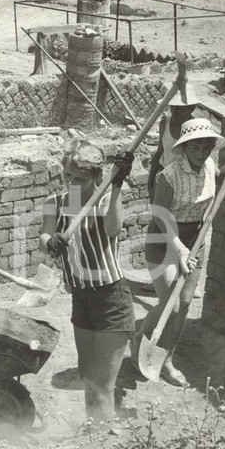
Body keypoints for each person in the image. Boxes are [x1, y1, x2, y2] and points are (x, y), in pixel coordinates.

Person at [132, 118, 225, 386]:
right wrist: (180, 250)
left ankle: (166, 361)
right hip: (164, 241)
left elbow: (218, 181)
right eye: (195, 148)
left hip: (197, 239)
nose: (200, 154)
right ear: (184, 147)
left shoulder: (209, 165)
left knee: (184, 304)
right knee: (170, 305)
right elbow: (162, 218)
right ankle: (139, 338)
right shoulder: (168, 176)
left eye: (206, 148)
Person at [39, 140, 135, 424]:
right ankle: (94, 431)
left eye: (80, 179)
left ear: (96, 177)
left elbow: (113, 229)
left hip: (110, 298)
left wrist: (116, 186)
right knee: (88, 378)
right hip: (80, 298)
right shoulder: (55, 203)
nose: (71, 183)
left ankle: (101, 445)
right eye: (67, 176)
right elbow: (44, 238)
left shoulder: (105, 201)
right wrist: (51, 243)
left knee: (103, 386)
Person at [147, 84, 198, 200]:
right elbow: (160, 152)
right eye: (173, 106)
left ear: (192, 108)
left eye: (180, 107)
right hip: (163, 176)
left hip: (185, 182)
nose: (175, 111)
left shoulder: (196, 128)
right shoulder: (165, 123)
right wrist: (150, 182)